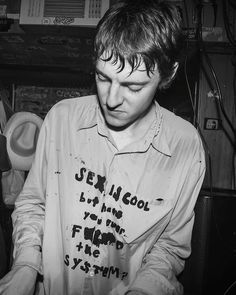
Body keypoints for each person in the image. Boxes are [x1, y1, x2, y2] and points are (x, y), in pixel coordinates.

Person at [0, 0, 206, 294]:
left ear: (169, 73)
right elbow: (34, 205)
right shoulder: (61, 119)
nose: (111, 99)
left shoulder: (186, 149)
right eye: (102, 77)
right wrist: (26, 265)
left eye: (133, 87)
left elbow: (170, 246)